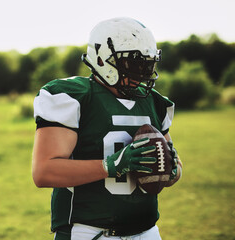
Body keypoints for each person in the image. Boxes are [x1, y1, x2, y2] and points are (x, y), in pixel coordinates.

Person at [32, 17, 183, 240]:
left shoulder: (154, 102)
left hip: (148, 231)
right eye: (133, 63)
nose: (142, 72)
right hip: (91, 232)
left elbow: (176, 170)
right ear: (102, 60)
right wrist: (111, 165)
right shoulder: (74, 97)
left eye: (147, 64)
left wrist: (171, 169)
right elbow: (44, 172)